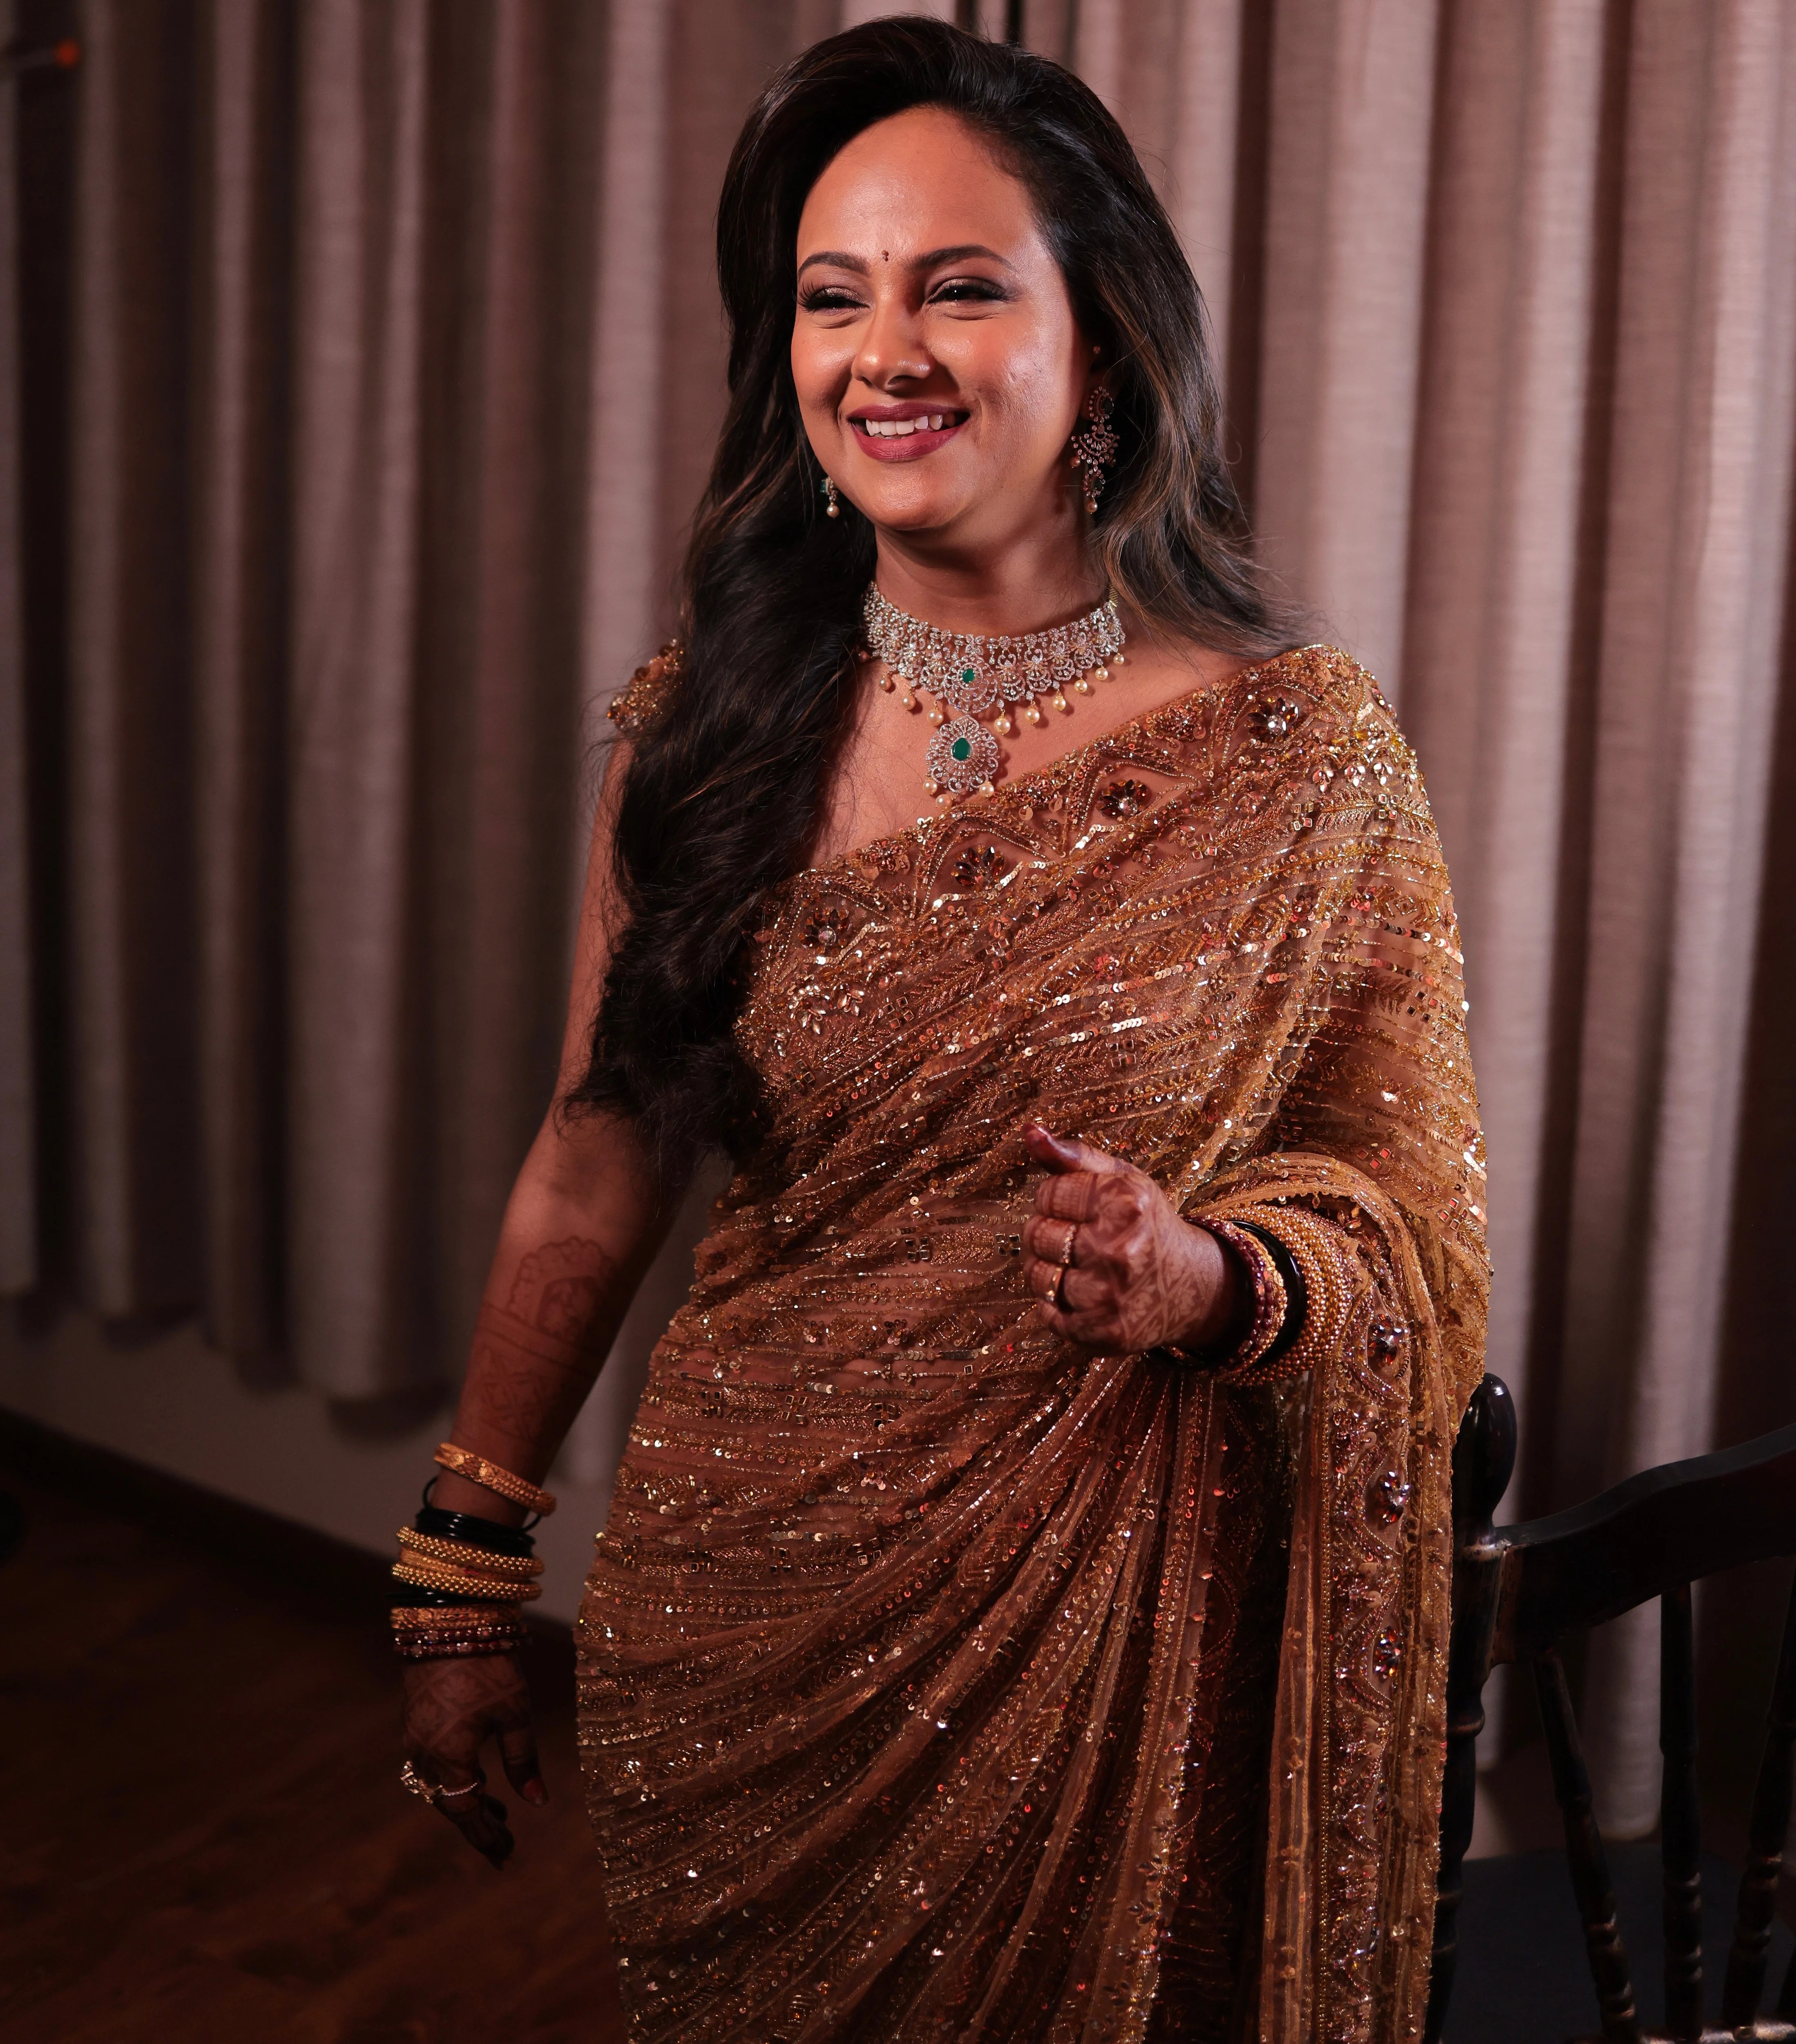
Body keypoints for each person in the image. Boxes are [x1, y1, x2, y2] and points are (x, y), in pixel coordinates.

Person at [391, 20, 1489, 2040]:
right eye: (832, 296)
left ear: (1104, 347)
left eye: (959, 285)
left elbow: (1413, 1239)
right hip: (738, 1629)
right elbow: (595, 1148)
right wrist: (464, 1566)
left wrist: (1217, 1281)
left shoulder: (1297, 760)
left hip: (1102, 1666)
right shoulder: (705, 729)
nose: (881, 349)